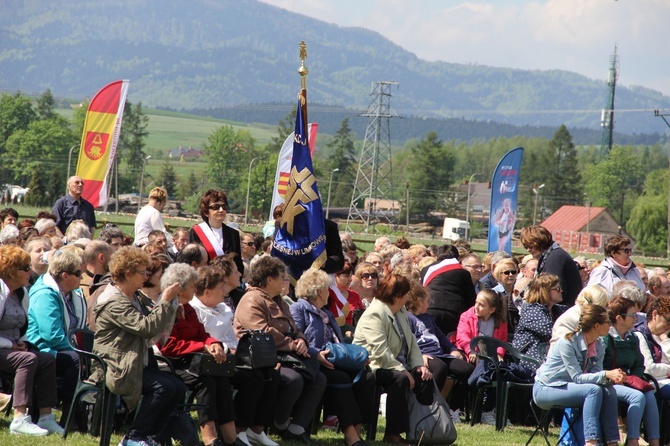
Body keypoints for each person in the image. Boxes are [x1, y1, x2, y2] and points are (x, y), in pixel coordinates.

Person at [89, 246, 186, 446]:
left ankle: (148, 435)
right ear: (127, 273)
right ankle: (133, 436)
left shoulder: (135, 296)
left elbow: (156, 315)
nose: (146, 276)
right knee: (163, 388)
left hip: (135, 360)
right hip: (116, 365)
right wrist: (166, 300)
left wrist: (172, 306)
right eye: (142, 272)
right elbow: (147, 327)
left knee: (177, 387)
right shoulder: (113, 301)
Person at [233, 256, 326, 445]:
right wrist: (292, 344)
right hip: (258, 357)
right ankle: (275, 423)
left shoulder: (279, 301)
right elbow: (262, 331)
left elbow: (294, 327)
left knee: (319, 377)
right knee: (292, 379)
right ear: (269, 279)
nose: (285, 281)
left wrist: (300, 339)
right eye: (282, 277)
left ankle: (294, 428)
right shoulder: (252, 299)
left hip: (283, 355)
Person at [191, 258, 279, 446]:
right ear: (207, 292)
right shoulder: (194, 309)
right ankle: (231, 432)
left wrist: (233, 348)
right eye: (220, 290)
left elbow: (232, 337)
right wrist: (223, 347)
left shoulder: (223, 308)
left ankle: (251, 429)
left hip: (229, 358)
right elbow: (201, 338)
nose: (224, 294)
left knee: (264, 375)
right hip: (206, 360)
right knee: (245, 380)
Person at [160, 263, 247, 446]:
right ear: (180, 289)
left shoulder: (188, 309)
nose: (195, 289)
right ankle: (210, 437)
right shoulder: (167, 309)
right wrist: (201, 347)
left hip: (194, 361)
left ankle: (230, 436)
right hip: (174, 364)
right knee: (206, 382)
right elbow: (168, 346)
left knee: (222, 380)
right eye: (192, 285)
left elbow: (202, 334)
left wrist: (213, 344)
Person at [290, 268, 376, 446]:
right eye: (328, 288)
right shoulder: (298, 308)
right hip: (311, 360)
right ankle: (351, 435)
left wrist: (354, 358)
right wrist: (316, 354)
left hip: (333, 359)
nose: (330, 292)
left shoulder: (326, 313)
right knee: (341, 377)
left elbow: (337, 341)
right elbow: (296, 337)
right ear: (320, 290)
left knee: (367, 377)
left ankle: (358, 430)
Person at [353, 273, 434, 445]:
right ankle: (393, 434)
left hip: (396, 363)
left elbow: (411, 341)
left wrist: (419, 365)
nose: (407, 298)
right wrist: (404, 370)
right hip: (373, 365)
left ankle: (423, 429)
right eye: (405, 294)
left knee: (426, 377)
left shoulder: (400, 310)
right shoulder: (375, 314)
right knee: (400, 379)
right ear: (397, 296)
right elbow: (381, 352)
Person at [533, 304, 624, 446]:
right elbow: (577, 377)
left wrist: (609, 377)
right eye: (607, 322)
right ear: (596, 326)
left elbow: (595, 374)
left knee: (608, 390)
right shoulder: (567, 342)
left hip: (571, 388)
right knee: (593, 390)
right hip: (546, 388)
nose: (610, 325)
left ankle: (612, 442)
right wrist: (606, 374)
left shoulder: (599, 344)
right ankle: (591, 442)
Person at [0, 245, 64, 435]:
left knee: (46, 359)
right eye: (25, 268)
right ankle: (19, 418)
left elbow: (25, 326)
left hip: (12, 349)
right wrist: (11, 345)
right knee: (28, 359)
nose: (30, 271)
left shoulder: (22, 293)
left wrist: (24, 342)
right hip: (3, 348)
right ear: (11, 272)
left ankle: (45, 417)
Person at [26, 249, 86, 420]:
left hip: (63, 347)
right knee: (76, 360)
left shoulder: (73, 294)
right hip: (41, 348)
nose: (82, 277)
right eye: (78, 273)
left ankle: (78, 414)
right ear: (65, 276)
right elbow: (51, 335)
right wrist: (81, 353)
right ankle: (69, 415)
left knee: (81, 358)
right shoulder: (45, 294)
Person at [406, 281, 473, 420]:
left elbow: (441, 337)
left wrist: (453, 349)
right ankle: (428, 407)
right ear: (418, 301)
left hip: (440, 354)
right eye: (427, 301)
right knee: (440, 368)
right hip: (425, 356)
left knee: (467, 370)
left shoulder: (427, 317)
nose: (428, 304)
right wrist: (420, 356)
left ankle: (453, 409)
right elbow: (408, 341)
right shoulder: (408, 318)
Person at [603, 297, 660, 446]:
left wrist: (633, 378)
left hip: (627, 380)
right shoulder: (605, 339)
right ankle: (633, 440)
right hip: (609, 382)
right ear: (619, 318)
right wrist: (617, 376)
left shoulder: (632, 338)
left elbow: (638, 363)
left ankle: (655, 441)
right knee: (637, 396)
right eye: (632, 315)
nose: (636, 318)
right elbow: (600, 366)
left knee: (649, 394)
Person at [455, 289, 508, 425]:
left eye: (481, 305)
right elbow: (462, 336)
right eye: (476, 302)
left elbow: (502, 341)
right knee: (490, 367)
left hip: (489, 358)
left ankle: (487, 410)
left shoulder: (499, 322)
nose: (476, 307)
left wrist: (499, 353)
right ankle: (478, 403)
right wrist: (471, 350)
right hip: (470, 355)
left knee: (498, 369)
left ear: (491, 309)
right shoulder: (467, 316)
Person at [512, 273, 566, 371]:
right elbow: (553, 333)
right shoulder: (532, 310)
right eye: (557, 289)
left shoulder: (556, 310)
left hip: (549, 358)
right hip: (531, 361)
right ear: (545, 291)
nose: (561, 291)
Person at [520, 225, 582, 307]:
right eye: (526, 247)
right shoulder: (551, 256)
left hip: (562, 311)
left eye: (530, 246)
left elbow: (554, 292)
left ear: (540, 242)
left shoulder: (555, 258)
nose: (528, 250)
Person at [421, 244, 477, 336]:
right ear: (457, 257)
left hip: (430, 308)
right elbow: (471, 298)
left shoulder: (426, 270)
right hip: (454, 312)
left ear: (437, 256)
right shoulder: (463, 273)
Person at [189, 189, 243, 275]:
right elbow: (193, 262)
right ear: (206, 212)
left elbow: (238, 263)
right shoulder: (196, 232)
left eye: (224, 207)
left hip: (228, 284)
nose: (221, 210)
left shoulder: (233, 234)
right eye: (215, 207)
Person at [550, 284, 610, 351]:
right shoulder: (571, 319)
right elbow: (564, 351)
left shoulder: (587, 317)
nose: (607, 310)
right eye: (605, 306)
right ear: (597, 306)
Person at [634, 295, 670, 401]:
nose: (669, 325)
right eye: (668, 320)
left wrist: (666, 340)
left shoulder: (659, 334)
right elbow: (649, 369)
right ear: (654, 315)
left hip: (664, 380)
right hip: (653, 382)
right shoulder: (640, 335)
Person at [492, 258, 520, 338]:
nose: (511, 275)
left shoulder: (519, 291)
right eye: (507, 272)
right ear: (499, 275)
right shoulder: (494, 293)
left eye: (513, 272)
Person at [334, 261, 365, 329]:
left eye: (351, 276)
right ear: (336, 275)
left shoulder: (355, 295)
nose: (350, 279)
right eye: (346, 276)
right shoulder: (329, 295)